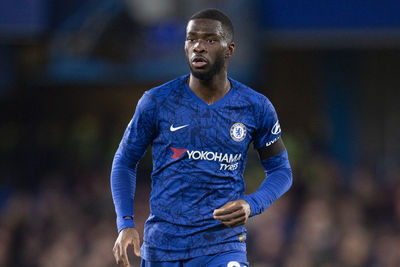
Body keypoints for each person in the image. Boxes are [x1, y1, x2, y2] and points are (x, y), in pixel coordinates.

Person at [111, 8, 292, 267]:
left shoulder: (255, 106)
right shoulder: (157, 101)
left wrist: (252, 204)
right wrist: (125, 223)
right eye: (191, 38)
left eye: (209, 40)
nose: (198, 46)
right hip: (163, 248)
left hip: (222, 245)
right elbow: (125, 161)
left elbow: (281, 171)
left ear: (229, 49)